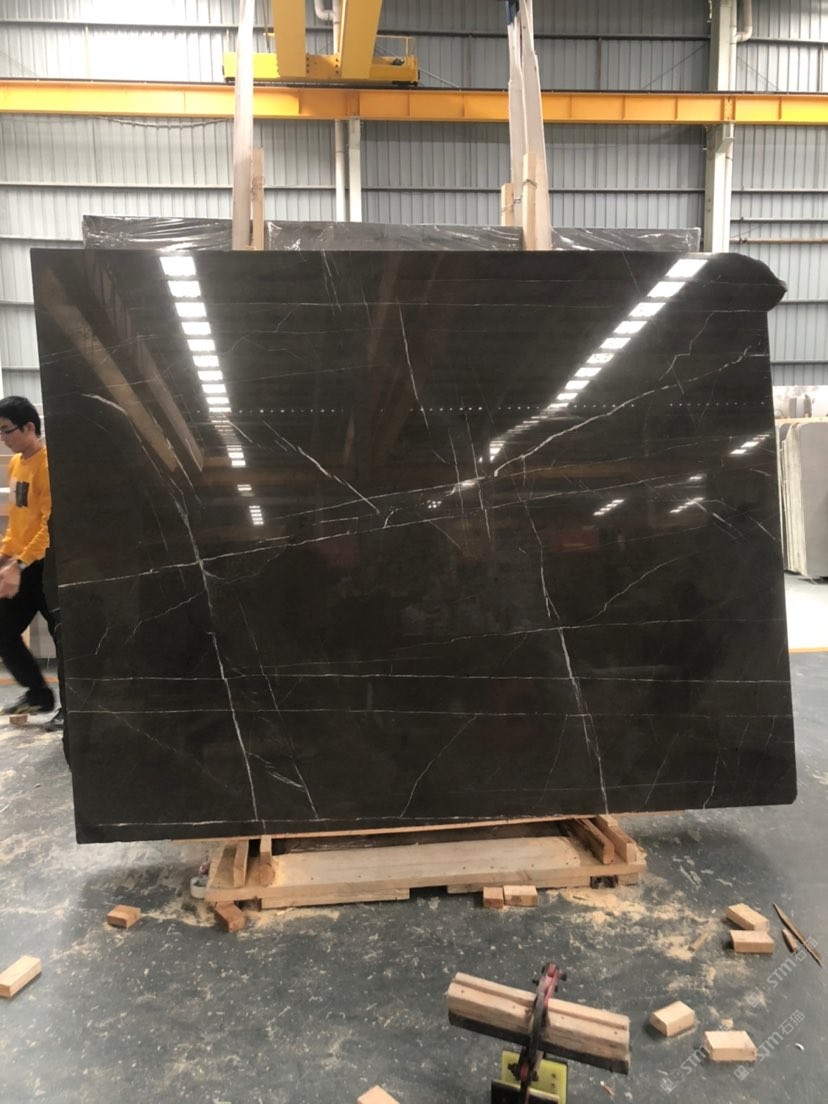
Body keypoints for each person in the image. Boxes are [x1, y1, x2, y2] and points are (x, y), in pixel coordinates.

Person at [0, 396, 61, 725]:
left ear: (29, 427)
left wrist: (18, 565)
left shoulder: (49, 467)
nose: (3, 438)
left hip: (47, 568)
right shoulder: (15, 464)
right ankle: (38, 694)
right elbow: (18, 518)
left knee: (64, 640)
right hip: (21, 567)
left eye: (6, 430)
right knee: (3, 630)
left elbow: (50, 527)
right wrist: (6, 555)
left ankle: (74, 709)